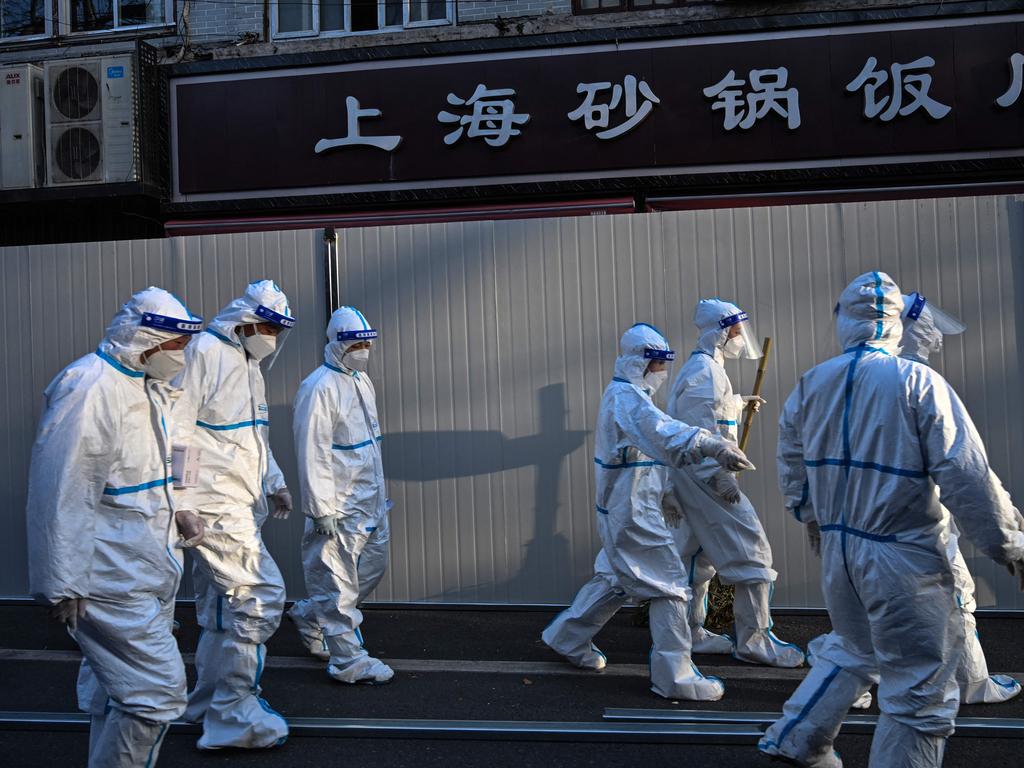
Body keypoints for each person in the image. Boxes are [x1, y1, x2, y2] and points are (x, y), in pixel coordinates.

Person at [759, 272, 1024, 768]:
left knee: (854, 650)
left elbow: (791, 464)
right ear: (895, 324)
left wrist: (811, 515)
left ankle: (797, 740)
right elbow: (966, 474)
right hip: (904, 559)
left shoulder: (811, 383)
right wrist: (1008, 545)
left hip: (840, 553)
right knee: (919, 691)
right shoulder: (919, 383)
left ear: (844, 319)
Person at [27, 287, 205, 767]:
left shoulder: (143, 387)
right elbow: (63, 490)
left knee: (119, 693)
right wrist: (61, 581)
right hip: (108, 576)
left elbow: (154, 468)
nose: (181, 357)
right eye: (176, 346)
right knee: (155, 697)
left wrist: (181, 506)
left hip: (143, 568)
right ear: (145, 340)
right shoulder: (90, 388)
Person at [541, 322, 754, 701]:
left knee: (615, 577)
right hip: (631, 512)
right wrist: (709, 443)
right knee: (670, 586)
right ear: (642, 362)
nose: (663, 373)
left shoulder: (631, 395)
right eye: (658, 364)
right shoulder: (627, 400)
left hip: (632, 507)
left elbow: (651, 446)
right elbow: (661, 431)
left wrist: (669, 492)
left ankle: (567, 637)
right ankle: (675, 676)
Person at [174, 280, 295, 750]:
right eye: (266, 325)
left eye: (278, 329)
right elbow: (178, 430)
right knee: (259, 595)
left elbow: (253, 436)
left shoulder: (248, 363)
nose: (271, 336)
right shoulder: (204, 351)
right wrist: (182, 503)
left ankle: (205, 704)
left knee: (222, 611)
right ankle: (234, 711)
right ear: (244, 319)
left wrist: (274, 481)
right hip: (214, 505)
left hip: (240, 500)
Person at [664, 299, 804, 668]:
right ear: (721, 331)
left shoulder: (706, 368)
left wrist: (739, 402)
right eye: (737, 331)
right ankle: (754, 640)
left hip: (695, 479)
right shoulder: (703, 373)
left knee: (697, 555)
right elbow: (700, 432)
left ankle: (691, 630)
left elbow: (710, 412)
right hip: (706, 479)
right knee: (754, 554)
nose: (742, 337)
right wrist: (721, 479)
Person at [287, 306, 394, 683]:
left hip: (369, 500)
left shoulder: (362, 382)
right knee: (335, 582)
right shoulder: (319, 387)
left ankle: (309, 615)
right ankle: (348, 660)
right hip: (337, 505)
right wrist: (320, 508)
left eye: (367, 342)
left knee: (371, 569)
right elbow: (310, 450)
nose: (363, 349)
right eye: (355, 343)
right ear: (336, 345)